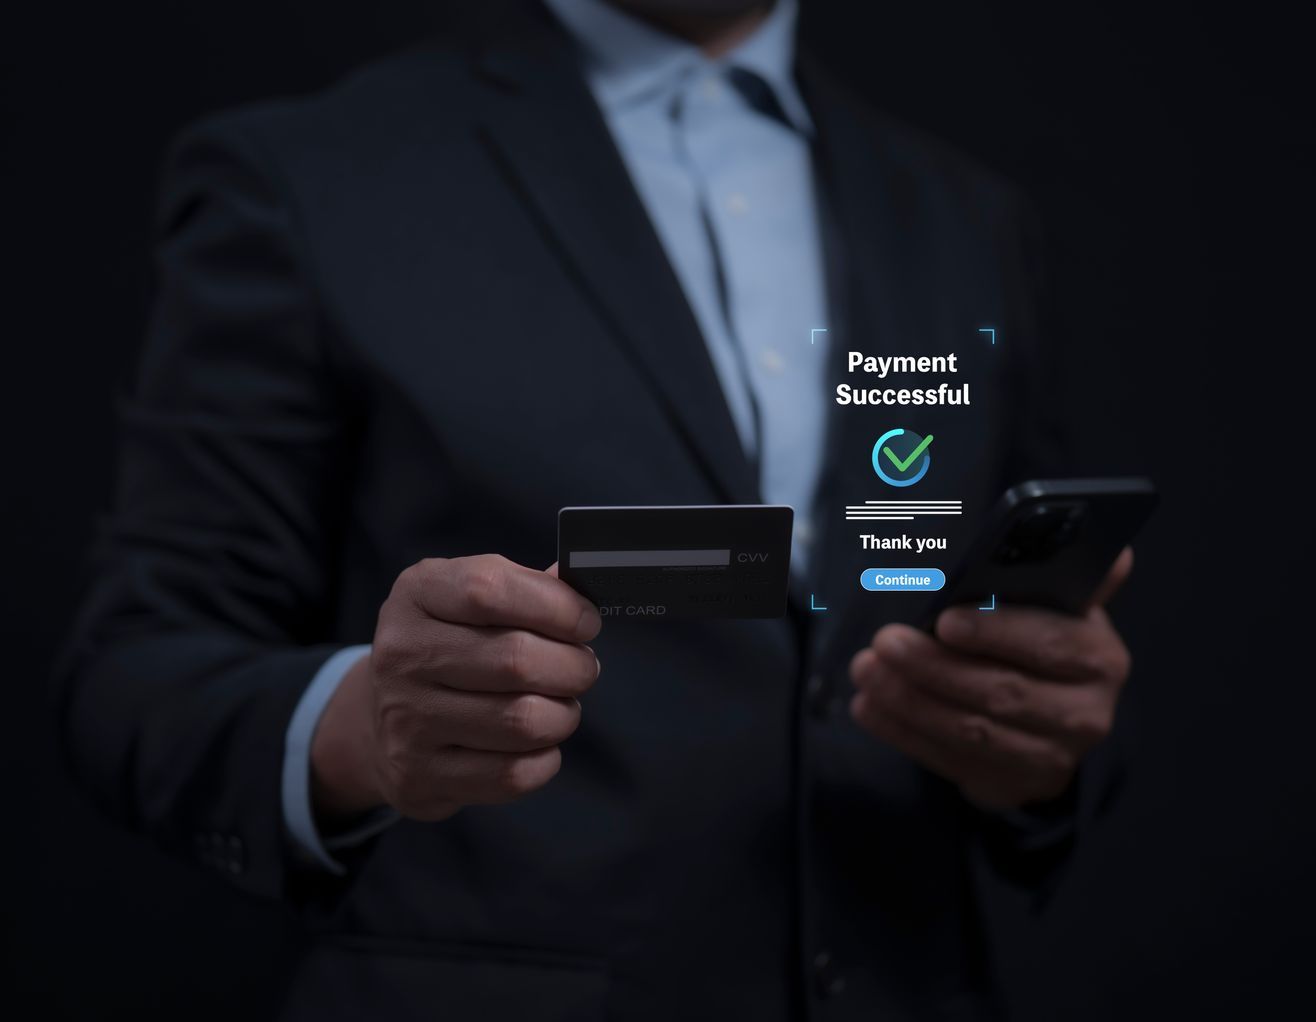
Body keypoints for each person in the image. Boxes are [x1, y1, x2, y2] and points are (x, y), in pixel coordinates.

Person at [54, 0, 1134, 1017]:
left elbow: (1034, 663)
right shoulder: (309, 175)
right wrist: (360, 728)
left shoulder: (968, 219)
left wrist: (1040, 754)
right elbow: (136, 671)